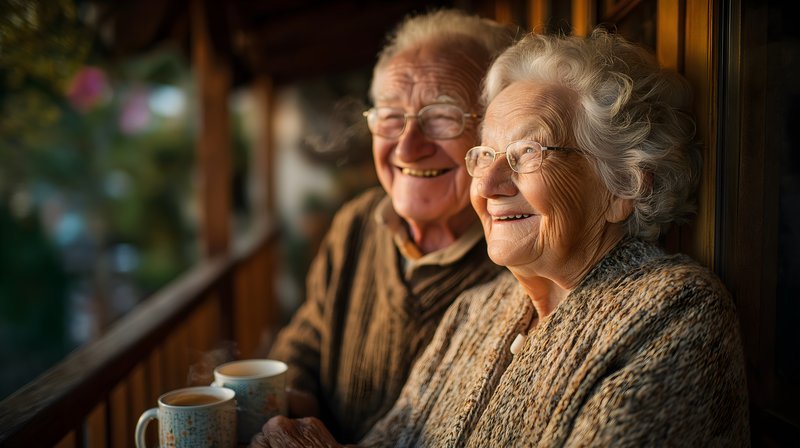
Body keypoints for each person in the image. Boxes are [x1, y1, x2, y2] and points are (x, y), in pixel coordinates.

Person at [252, 28, 750, 447]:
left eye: (528, 152)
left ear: (624, 183)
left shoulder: (676, 313)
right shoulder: (474, 311)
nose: (487, 186)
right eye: (484, 156)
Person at [265, 9, 515, 443]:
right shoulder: (357, 223)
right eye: (391, 117)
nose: (407, 146)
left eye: (442, 116)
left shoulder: (519, 257)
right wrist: (290, 402)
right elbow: (307, 338)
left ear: (497, 130)